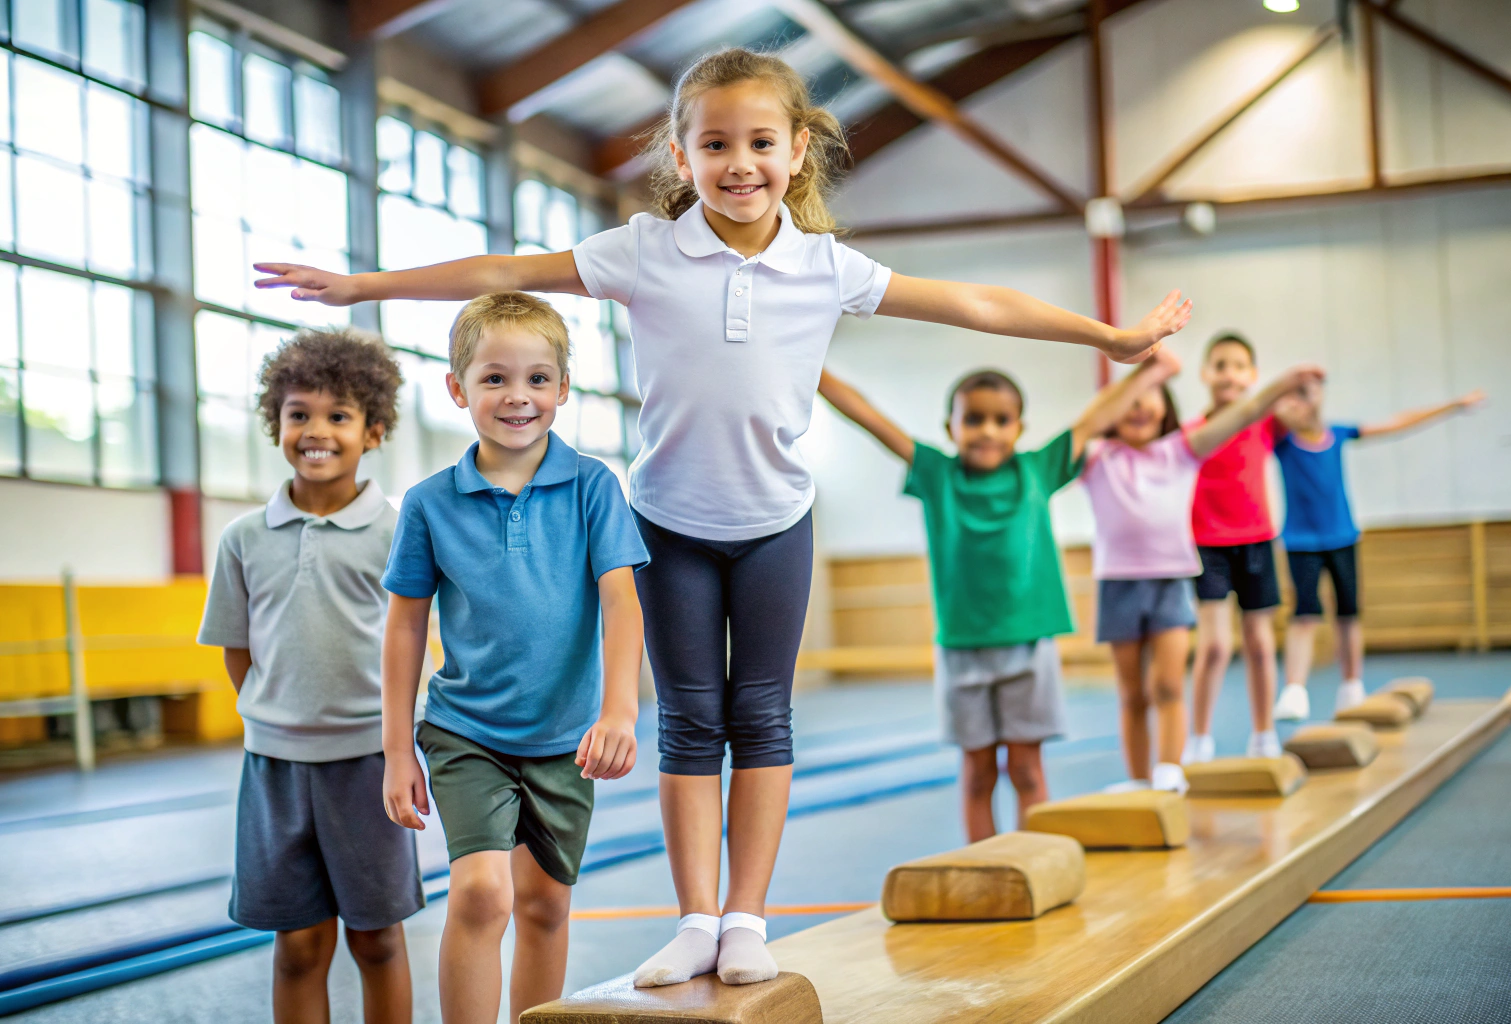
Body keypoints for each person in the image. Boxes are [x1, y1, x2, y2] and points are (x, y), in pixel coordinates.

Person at [253, 47, 1190, 987]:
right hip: (669, 524)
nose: (740, 164)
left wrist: (1107, 337)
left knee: (764, 717)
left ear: (798, 150)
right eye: (715, 145)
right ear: (681, 154)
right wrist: (364, 288)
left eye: (760, 143)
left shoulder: (825, 266)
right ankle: (697, 917)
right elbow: (504, 266)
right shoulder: (644, 251)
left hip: (777, 523)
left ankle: (746, 916)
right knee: (691, 722)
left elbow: (974, 302)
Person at [377, 293, 649, 1022]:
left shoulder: (594, 486)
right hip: (466, 732)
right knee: (480, 893)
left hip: (565, 737)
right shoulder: (429, 503)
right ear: (457, 388)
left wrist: (620, 711)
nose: (517, 396)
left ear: (563, 389)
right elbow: (404, 628)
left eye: (537, 378)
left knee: (544, 905)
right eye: (494, 378)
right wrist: (397, 750)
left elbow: (622, 602)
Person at [817, 357, 1207, 839]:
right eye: (973, 419)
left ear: (1020, 427)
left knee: (1027, 770)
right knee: (977, 774)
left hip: (1029, 648)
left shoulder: (1037, 469)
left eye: (1002, 420)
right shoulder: (938, 474)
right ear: (950, 427)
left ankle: (1032, 858)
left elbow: (1093, 419)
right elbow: (871, 418)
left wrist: (1150, 373)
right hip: (962, 650)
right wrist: (815, 370)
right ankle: (984, 863)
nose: (988, 431)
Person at [197, 327, 420, 1024]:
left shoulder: (397, 532)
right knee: (296, 946)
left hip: (369, 764)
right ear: (277, 424)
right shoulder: (243, 538)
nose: (316, 431)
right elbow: (237, 649)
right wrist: (276, 715)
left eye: (338, 415)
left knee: (378, 940)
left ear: (373, 431)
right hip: (275, 769)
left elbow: (413, 641)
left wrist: (396, 742)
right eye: (299, 414)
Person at [1080, 351, 1325, 792]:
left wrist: (1285, 382)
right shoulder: (1098, 458)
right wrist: (1144, 376)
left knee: (1167, 684)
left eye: (1149, 399)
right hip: (1117, 583)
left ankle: (1170, 769)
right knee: (1132, 692)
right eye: (1128, 402)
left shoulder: (1180, 451)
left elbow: (1247, 411)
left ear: (1166, 408)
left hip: (1170, 580)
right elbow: (1085, 424)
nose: (1138, 408)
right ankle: (1139, 781)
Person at [1271, 385, 1485, 721]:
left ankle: (1351, 686)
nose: (1298, 404)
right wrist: (1277, 407)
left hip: (1342, 537)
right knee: (1305, 615)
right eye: (1290, 398)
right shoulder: (1281, 441)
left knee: (1348, 614)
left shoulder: (1337, 434)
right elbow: (1248, 423)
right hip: (1302, 543)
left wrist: (1454, 404)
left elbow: (1397, 423)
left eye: (1305, 396)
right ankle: (1294, 690)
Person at [1184, 333, 1290, 762]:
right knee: (1214, 646)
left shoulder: (1263, 424)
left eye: (1239, 366)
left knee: (1260, 644)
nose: (1229, 374)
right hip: (1206, 545)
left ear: (1253, 375)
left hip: (1257, 540)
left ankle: (1264, 734)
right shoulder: (1193, 431)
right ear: (1205, 374)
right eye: (1220, 365)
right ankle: (1199, 738)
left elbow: (1302, 414)